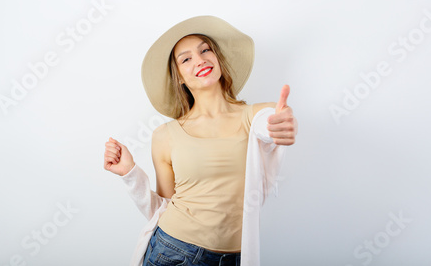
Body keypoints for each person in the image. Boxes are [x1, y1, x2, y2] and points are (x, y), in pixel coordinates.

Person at [103, 15, 298, 266]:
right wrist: (129, 173)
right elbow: (161, 208)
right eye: (186, 59)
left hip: (236, 258)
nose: (200, 59)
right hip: (175, 252)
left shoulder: (253, 117)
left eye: (205, 50)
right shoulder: (165, 135)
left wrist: (285, 123)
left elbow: (271, 122)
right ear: (179, 77)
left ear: (217, 59)